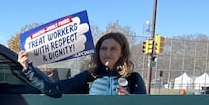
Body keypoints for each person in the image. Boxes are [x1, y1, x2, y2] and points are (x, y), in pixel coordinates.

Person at [18, 32, 146, 96]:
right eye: (103, 48)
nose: (108, 53)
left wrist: (130, 101)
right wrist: (28, 68)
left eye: (113, 49)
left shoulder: (134, 79)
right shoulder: (89, 77)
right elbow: (53, 89)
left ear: (122, 52)